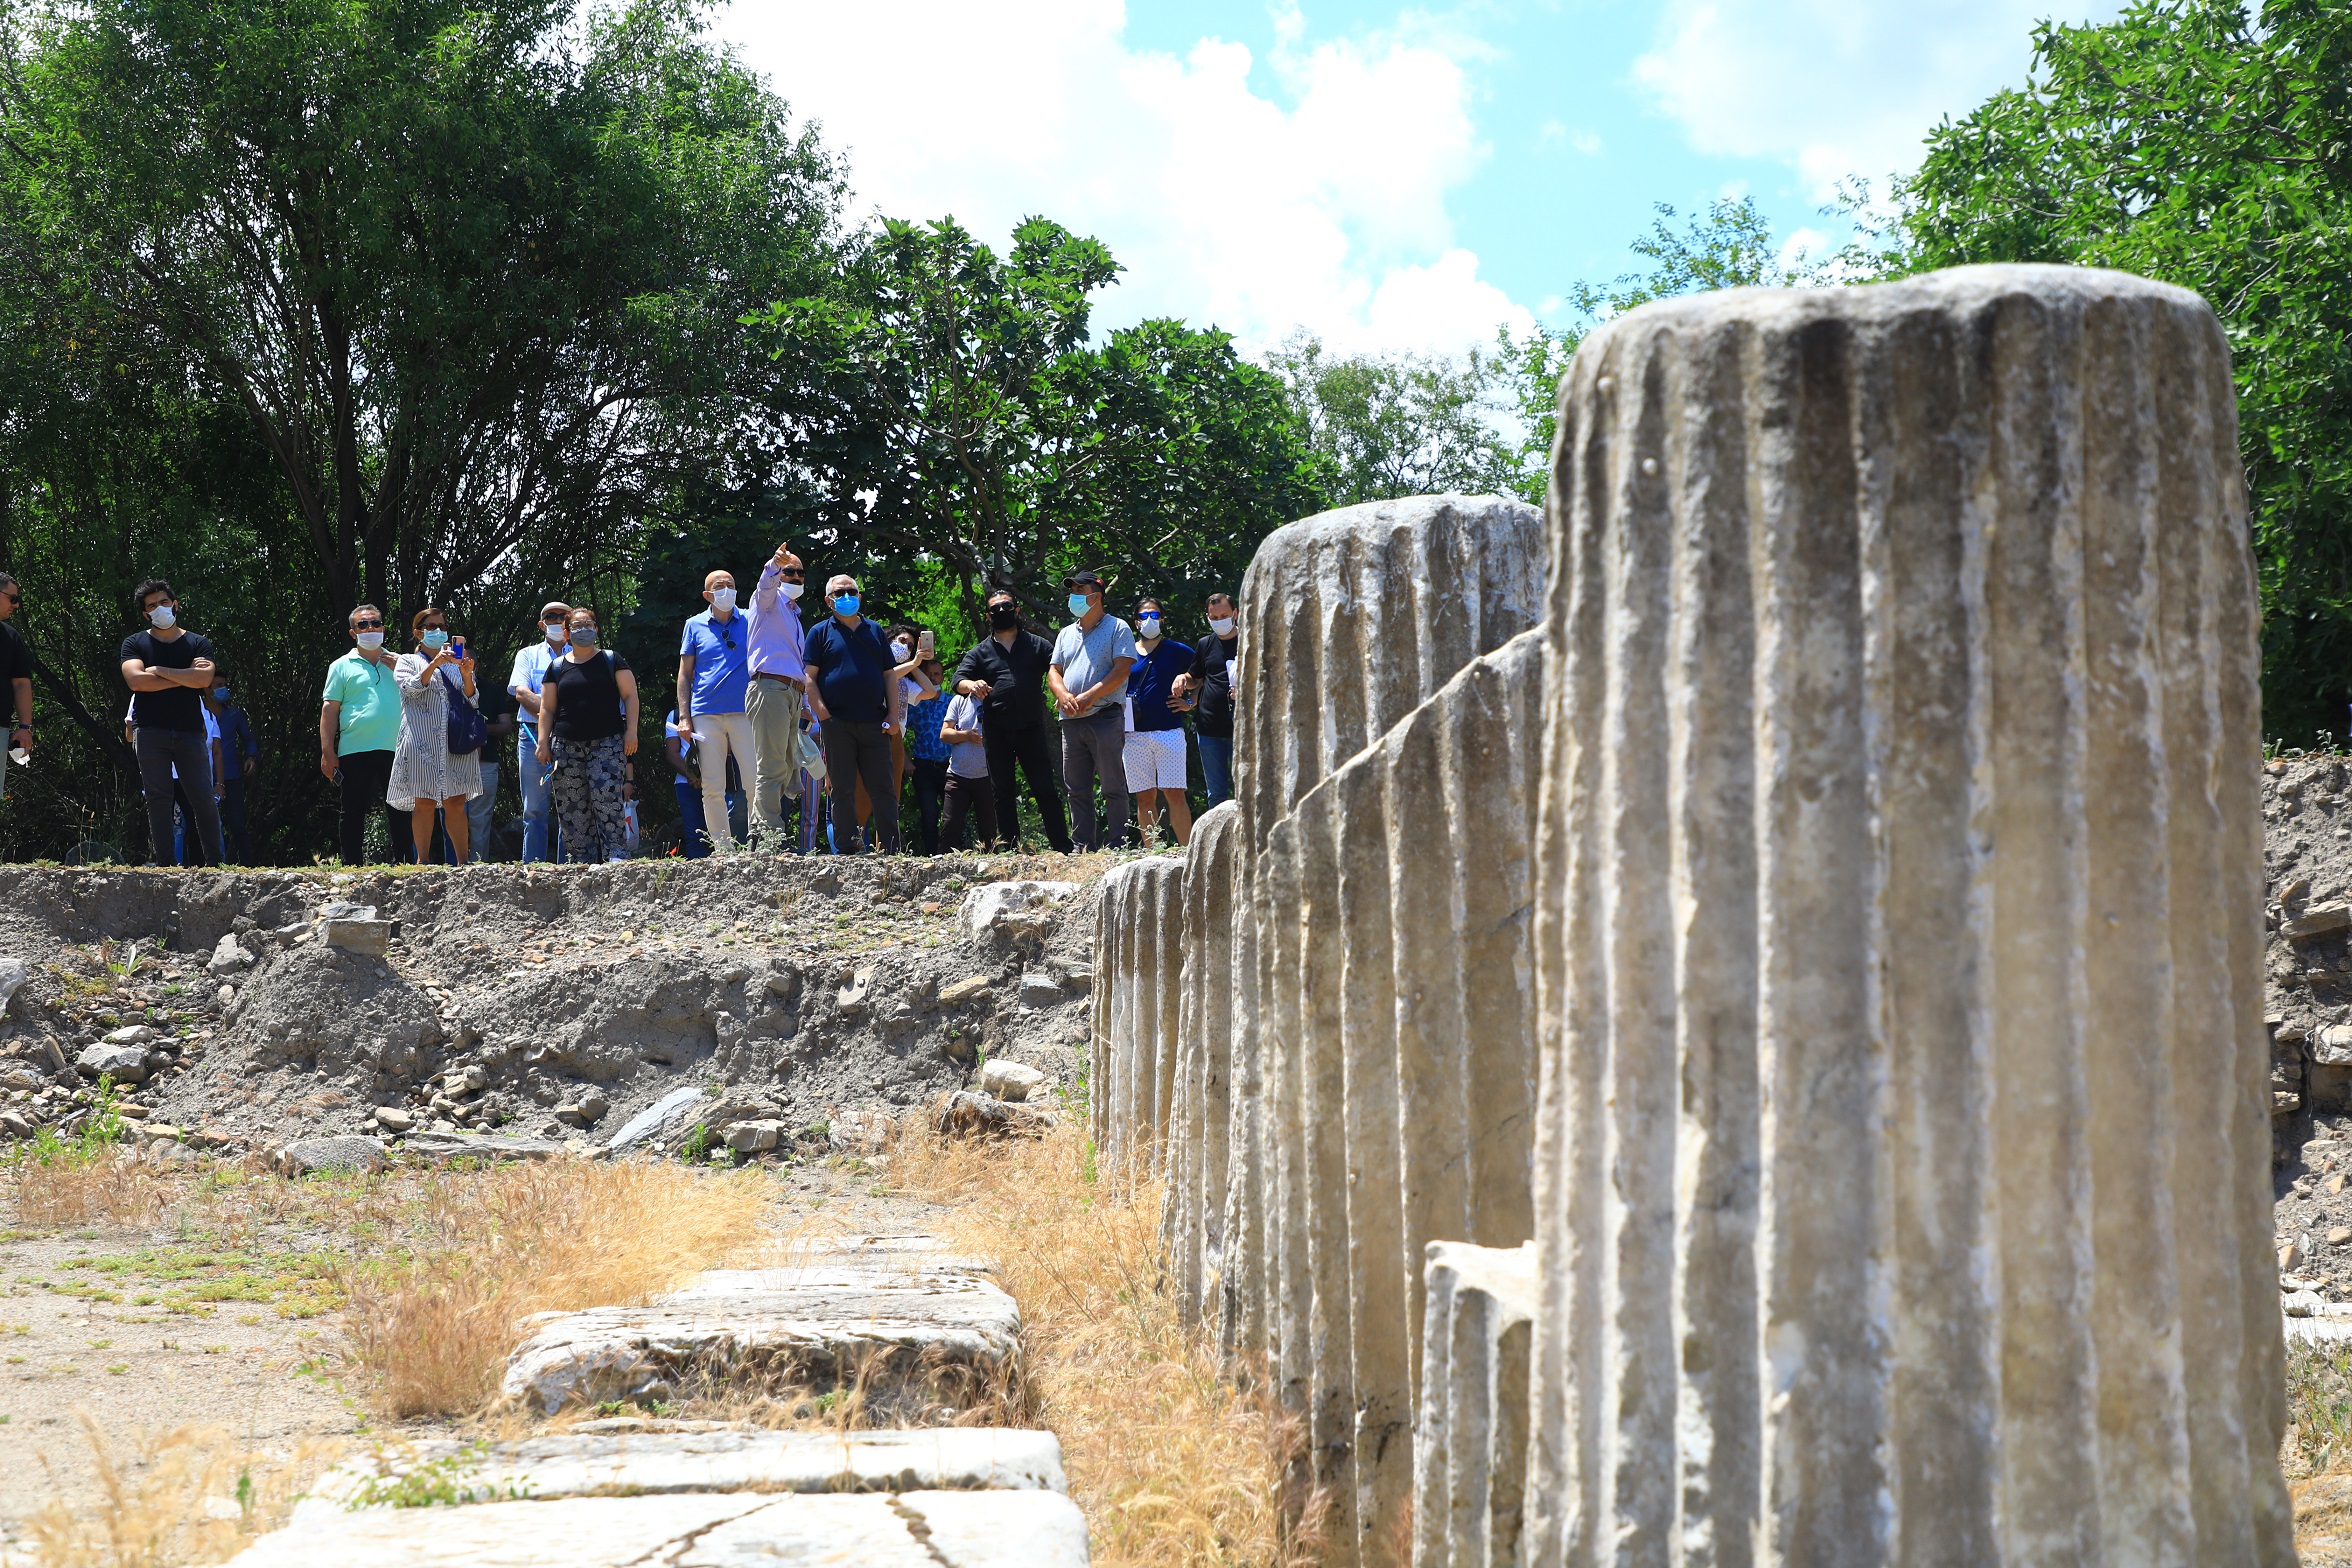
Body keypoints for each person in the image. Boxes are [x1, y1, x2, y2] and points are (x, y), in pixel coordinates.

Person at [952, 589, 1072, 853]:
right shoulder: (980, 652)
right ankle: (1010, 848)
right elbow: (957, 681)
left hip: (1031, 728)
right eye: (995, 609)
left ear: (1017, 611)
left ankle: (1063, 847)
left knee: (1045, 789)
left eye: (1007, 607)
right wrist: (972, 684)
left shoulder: (1037, 645)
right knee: (1002, 791)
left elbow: (1060, 670)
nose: (1001, 612)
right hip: (997, 731)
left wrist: (1063, 692)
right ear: (988, 616)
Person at [121, 578, 223, 866]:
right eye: (152, 605)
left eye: (164, 602)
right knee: (158, 798)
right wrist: (183, 678)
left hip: (190, 731)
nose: (160, 608)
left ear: (175, 604)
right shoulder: (134, 643)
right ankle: (165, 865)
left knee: (203, 797)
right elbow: (136, 681)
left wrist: (160, 671)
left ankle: (216, 863)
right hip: (149, 730)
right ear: (145, 614)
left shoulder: (198, 642)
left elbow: (203, 679)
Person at [802, 574, 902, 856]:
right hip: (837, 724)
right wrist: (823, 717)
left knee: (883, 788)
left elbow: (889, 675)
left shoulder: (875, 630)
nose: (846, 596)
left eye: (852, 591)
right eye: (840, 591)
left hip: (875, 722)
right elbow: (809, 678)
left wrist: (893, 716)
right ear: (828, 600)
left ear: (859, 595)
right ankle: (846, 848)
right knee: (841, 788)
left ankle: (892, 849)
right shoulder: (820, 632)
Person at [535, 607, 637, 862]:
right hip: (566, 746)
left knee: (607, 798)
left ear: (596, 629)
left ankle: (616, 855)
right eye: (577, 627)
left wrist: (632, 732)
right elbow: (547, 708)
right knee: (572, 804)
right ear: (567, 633)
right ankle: (581, 859)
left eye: (588, 625)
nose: (583, 630)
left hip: (608, 742)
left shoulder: (612, 660)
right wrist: (542, 742)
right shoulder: (556, 667)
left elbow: (631, 696)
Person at [1049, 568, 1135, 852]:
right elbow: (1054, 671)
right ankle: (1082, 846)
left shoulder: (1118, 627)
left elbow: (1123, 669)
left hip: (1104, 715)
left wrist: (1090, 695)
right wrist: (1062, 694)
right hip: (1071, 719)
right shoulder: (1065, 634)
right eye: (1071, 591)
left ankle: (1117, 844)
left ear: (1096, 597)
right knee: (1076, 789)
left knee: (1112, 784)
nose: (1072, 596)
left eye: (1078, 592)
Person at [387, 607, 482, 865]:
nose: (438, 631)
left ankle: (464, 861)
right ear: (418, 632)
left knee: (455, 801)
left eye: (441, 625)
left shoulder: (456, 664)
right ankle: (423, 860)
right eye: (430, 626)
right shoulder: (407, 661)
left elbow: (473, 701)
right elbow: (410, 688)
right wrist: (436, 663)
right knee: (424, 801)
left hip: (454, 742)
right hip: (421, 742)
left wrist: (466, 675)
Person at [321, 603, 413, 864]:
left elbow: (424, 695)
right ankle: (351, 865)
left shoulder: (402, 662)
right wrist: (328, 752)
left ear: (383, 628)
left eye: (375, 623)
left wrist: (403, 670)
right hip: (354, 748)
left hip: (397, 748)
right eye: (363, 624)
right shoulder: (340, 666)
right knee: (352, 810)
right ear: (353, 632)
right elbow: (329, 709)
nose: (370, 628)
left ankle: (405, 863)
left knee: (400, 808)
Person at [676, 569, 753, 854]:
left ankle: (760, 845)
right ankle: (723, 850)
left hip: (746, 711)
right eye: (719, 586)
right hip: (705, 712)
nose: (726, 589)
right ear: (707, 595)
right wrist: (684, 717)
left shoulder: (750, 618)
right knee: (712, 785)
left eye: (730, 584)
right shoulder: (693, 625)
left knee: (754, 780)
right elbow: (684, 674)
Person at [745, 543, 811, 848]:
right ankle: (771, 834)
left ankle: (759, 832)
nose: (796, 577)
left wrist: (805, 702)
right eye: (789, 571)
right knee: (771, 766)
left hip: (790, 692)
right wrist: (773, 564)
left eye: (800, 573)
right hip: (769, 688)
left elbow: (797, 665)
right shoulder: (766, 602)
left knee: (784, 767)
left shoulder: (795, 616)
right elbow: (765, 585)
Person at [1124, 598, 1195, 846]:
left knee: (1175, 794)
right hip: (1133, 735)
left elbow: (1202, 676)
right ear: (1136, 622)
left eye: (1154, 616)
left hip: (1169, 732)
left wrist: (1190, 702)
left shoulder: (1178, 650)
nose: (1149, 621)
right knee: (1144, 797)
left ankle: (1187, 851)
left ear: (1162, 620)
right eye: (1144, 616)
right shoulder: (1125, 652)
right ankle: (1152, 852)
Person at [508, 602, 570, 862]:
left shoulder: (583, 653)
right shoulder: (527, 654)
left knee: (569, 806)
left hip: (571, 736)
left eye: (562, 616)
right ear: (541, 624)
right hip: (533, 736)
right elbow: (521, 693)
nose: (557, 620)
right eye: (550, 616)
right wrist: (556, 717)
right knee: (534, 809)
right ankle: (533, 868)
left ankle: (568, 869)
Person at [1172, 590, 1240, 809]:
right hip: (1208, 729)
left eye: (1224, 616)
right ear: (1207, 618)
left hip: (1242, 728)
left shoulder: (1251, 642)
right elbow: (1195, 677)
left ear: (1235, 613)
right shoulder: (1205, 643)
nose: (1219, 621)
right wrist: (1183, 678)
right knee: (1216, 794)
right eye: (1214, 617)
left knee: (1246, 789)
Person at [666, 708, 746, 859]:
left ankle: (733, 863)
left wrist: (708, 776)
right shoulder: (675, 715)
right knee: (694, 835)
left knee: (730, 825)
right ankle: (698, 876)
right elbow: (671, 753)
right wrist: (694, 775)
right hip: (687, 783)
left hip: (720, 780)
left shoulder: (718, 709)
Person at [903, 642, 951, 853]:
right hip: (923, 767)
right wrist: (905, 759)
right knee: (929, 814)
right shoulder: (915, 702)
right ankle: (932, 855)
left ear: (942, 678)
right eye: (928, 673)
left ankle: (955, 852)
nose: (932, 678)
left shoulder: (954, 702)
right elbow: (898, 730)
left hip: (951, 767)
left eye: (937, 674)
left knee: (953, 814)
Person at [938, 681, 996, 852]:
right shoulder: (959, 700)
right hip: (958, 775)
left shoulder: (997, 699)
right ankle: (943, 864)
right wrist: (967, 736)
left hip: (987, 776)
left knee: (988, 830)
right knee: (950, 825)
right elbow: (944, 734)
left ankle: (990, 865)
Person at [207, 683, 259, 862]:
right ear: (206, 688)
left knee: (237, 824)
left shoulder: (234, 714)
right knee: (204, 824)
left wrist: (251, 757)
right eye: (218, 685)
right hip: (204, 777)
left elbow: (248, 738)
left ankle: (248, 866)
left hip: (231, 777)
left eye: (224, 684)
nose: (223, 689)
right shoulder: (198, 714)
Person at [0, 574, 32, 802]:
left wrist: (24, 726)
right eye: (12, 598)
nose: (16, 604)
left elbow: (21, 683)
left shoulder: (11, 637)